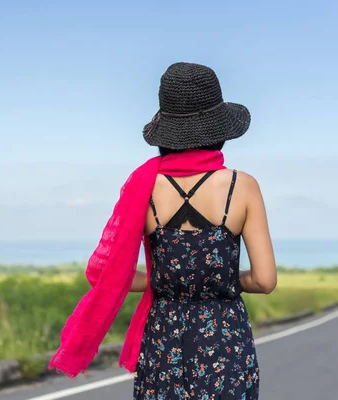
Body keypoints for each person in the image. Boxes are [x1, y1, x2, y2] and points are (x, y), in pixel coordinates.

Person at [49, 62, 276, 400]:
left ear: (166, 131)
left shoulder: (146, 187)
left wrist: (163, 281)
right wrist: (220, 281)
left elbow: (107, 272)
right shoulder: (242, 186)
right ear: (220, 128)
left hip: (163, 337)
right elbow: (264, 280)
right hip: (224, 339)